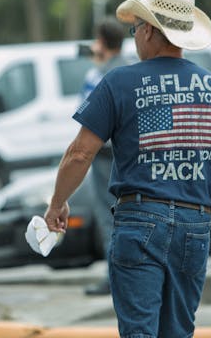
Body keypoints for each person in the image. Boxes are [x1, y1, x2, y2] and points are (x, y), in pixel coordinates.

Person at [44, 0, 211, 338]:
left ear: (148, 30)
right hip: (196, 225)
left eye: (135, 29)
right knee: (178, 332)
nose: (134, 36)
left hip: (139, 221)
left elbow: (80, 152)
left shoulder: (118, 83)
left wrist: (57, 202)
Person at [80, 18, 130, 296]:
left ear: (101, 42)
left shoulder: (103, 74)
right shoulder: (131, 67)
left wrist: (96, 68)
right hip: (127, 153)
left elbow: (88, 109)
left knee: (108, 215)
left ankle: (114, 278)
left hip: (104, 155)